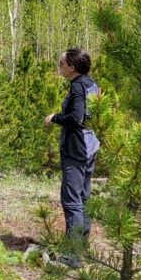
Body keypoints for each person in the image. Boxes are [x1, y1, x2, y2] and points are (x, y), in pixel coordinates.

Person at [44, 48, 100, 268]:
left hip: (76, 150)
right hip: (90, 146)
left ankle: (71, 256)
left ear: (72, 67)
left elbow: (76, 118)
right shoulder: (92, 84)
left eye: (61, 64)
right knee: (84, 199)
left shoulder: (77, 87)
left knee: (71, 201)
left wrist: (55, 118)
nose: (59, 67)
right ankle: (80, 247)